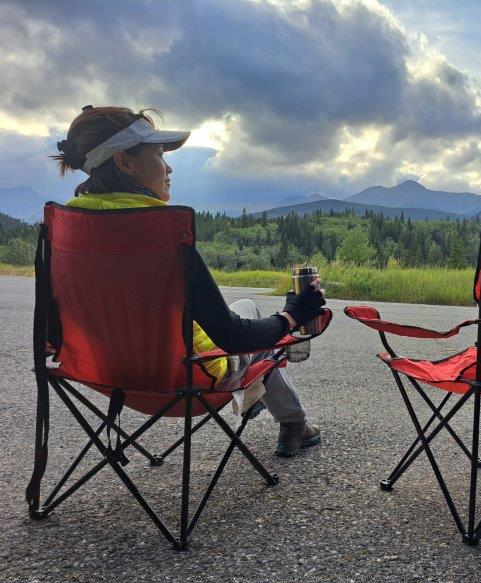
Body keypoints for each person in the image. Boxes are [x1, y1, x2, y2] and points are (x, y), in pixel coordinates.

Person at [51, 105, 325, 457]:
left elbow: (51, 336)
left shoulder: (64, 231)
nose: (168, 167)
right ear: (124, 162)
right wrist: (292, 315)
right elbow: (233, 336)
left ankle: (259, 396)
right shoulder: (161, 235)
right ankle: (293, 424)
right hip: (188, 381)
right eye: (159, 154)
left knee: (243, 312)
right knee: (254, 320)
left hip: (106, 377)